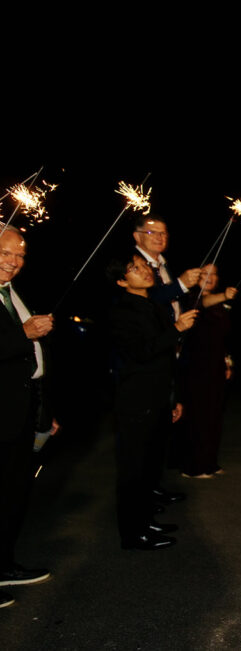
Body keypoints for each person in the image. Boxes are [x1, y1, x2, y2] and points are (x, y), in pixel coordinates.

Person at [106, 250, 198, 549]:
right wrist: (176, 329)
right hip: (137, 401)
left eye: (144, 265)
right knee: (133, 471)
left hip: (159, 397)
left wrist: (174, 398)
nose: (145, 270)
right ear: (122, 281)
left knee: (150, 468)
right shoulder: (122, 312)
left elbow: (166, 359)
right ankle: (133, 534)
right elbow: (142, 352)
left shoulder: (153, 305)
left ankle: (145, 521)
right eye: (134, 268)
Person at [0, 230, 57, 608]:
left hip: (20, 411)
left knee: (12, 494)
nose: (13, 261)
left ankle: (3, 565)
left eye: (20, 256)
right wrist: (23, 332)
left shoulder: (12, 293)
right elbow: (16, 341)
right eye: (5, 253)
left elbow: (33, 359)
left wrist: (43, 411)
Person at [178, 265, 236, 478]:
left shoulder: (219, 304)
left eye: (214, 274)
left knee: (214, 415)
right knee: (197, 415)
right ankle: (192, 467)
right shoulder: (189, 298)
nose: (210, 278)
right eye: (204, 274)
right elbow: (202, 303)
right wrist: (224, 295)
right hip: (196, 365)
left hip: (215, 365)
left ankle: (209, 462)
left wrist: (227, 362)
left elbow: (223, 338)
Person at [132, 214, 201, 320]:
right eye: (151, 232)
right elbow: (144, 301)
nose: (159, 238)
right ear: (137, 236)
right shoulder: (130, 264)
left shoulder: (166, 263)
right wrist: (181, 284)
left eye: (163, 233)